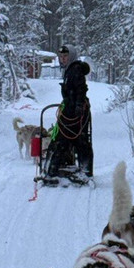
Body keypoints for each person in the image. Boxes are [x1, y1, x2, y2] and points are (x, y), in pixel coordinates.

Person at [45, 46, 93, 180]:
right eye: (61, 56)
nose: (63, 59)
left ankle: (85, 172)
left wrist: (78, 106)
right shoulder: (69, 70)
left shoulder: (75, 69)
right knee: (63, 139)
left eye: (65, 56)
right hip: (70, 110)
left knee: (79, 141)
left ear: (71, 56)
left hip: (78, 112)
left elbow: (81, 89)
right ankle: (53, 170)